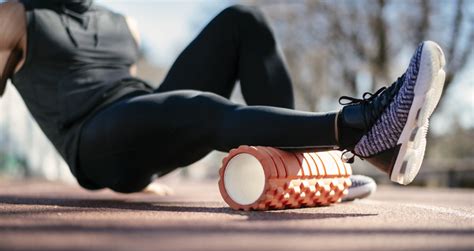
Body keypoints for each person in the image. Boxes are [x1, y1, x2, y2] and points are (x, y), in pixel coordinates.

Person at [0, 0, 446, 194]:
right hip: (91, 141)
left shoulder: (122, 24)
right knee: (195, 107)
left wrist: (148, 162)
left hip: (139, 120)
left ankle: (296, 170)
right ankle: (358, 128)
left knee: (242, 20)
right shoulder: (17, 17)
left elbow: (141, 103)